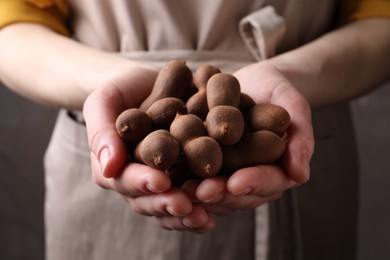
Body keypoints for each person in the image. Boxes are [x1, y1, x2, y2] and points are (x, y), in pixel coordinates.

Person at [0, 0, 389, 259]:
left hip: (302, 106)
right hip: (106, 120)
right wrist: (113, 81)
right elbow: (12, 27)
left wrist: (290, 74)